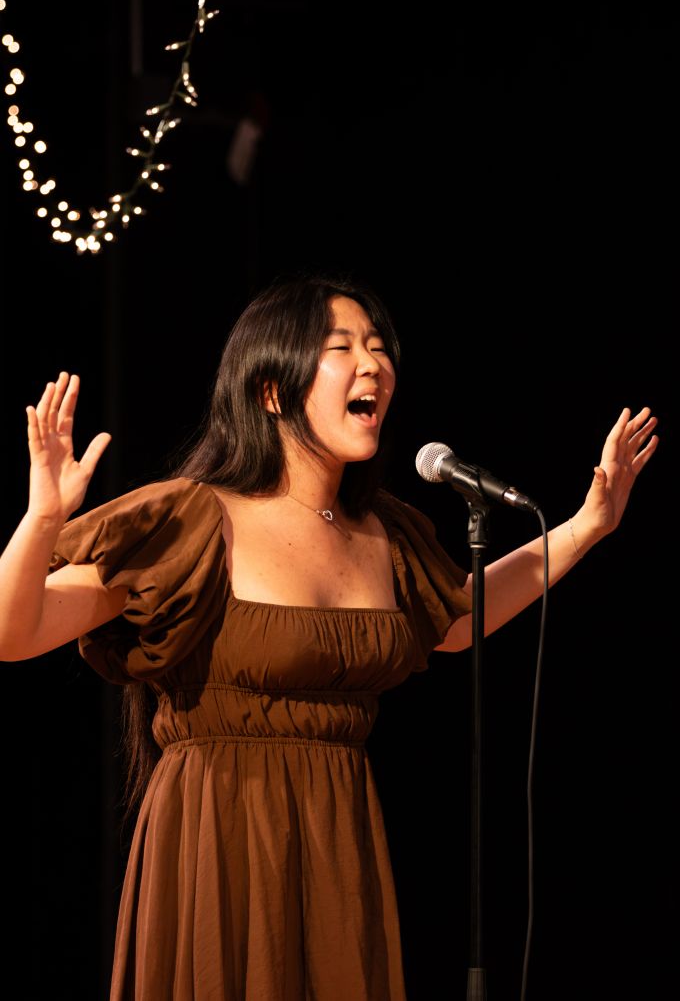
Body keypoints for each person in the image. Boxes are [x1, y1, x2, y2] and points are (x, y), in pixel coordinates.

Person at [0, 275, 658, 1000]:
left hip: (338, 840)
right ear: (270, 391)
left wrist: (586, 526)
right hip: (219, 839)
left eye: (378, 347)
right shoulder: (189, 521)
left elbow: (460, 619)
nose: (373, 364)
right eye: (341, 348)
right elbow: (15, 631)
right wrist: (41, 519)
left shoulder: (383, 531)